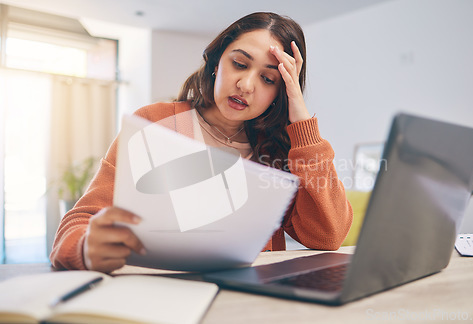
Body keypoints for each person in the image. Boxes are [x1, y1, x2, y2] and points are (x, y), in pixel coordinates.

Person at [50, 12, 353, 273]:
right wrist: (86, 246)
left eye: (269, 79)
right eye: (239, 63)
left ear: (281, 93)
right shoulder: (154, 123)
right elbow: (77, 223)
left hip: (248, 304)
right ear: (216, 62)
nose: (246, 85)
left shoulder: (275, 151)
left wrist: (300, 120)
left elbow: (328, 235)